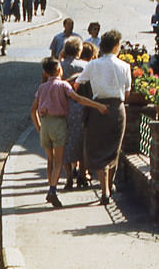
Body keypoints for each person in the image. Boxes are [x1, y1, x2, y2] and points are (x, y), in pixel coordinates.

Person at [31, 56, 108, 208]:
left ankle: (50, 186)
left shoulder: (41, 88)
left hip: (45, 124)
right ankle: (52, 191)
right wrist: (97, 105)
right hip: (59, 123)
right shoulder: (63, 85)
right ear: (59, 69)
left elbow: (33, 110)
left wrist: (39, 127)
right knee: (59, 161)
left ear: (45, 73)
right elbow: (78, 99)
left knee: (50, 160)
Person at [75, 30, 131, 206]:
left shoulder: (92, 65)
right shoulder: (124, 66)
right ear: (115, 46)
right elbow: (127, 93)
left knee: (98, 147)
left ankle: (105, 189)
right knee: (114, 146)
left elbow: (77, 85)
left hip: (98, 108)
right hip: (117, 108)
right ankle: (110, 185)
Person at [60, 38, 89, 190]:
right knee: (81, 141)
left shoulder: (60, 66)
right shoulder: (85, 66)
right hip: (81, 106)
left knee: (65, 142)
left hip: (63, 108)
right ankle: (82, 175)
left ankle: (69, 176)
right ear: (79, 50)